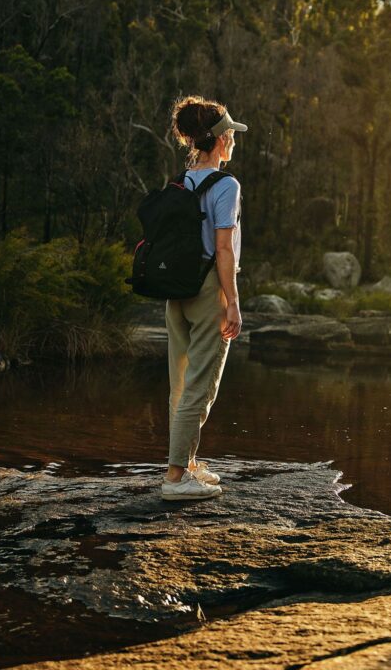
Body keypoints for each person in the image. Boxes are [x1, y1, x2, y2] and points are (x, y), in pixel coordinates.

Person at [160, 95, 245, 500]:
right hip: (208, 288)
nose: (234, 141)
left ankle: (187, 463)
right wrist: (233, 301)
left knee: (180, 384)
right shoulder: (226, 184)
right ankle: (175, 478)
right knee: (201, 385)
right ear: (220, 139)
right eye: (231, 135)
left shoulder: (180, 181)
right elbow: (223, 249)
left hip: (175, 290)